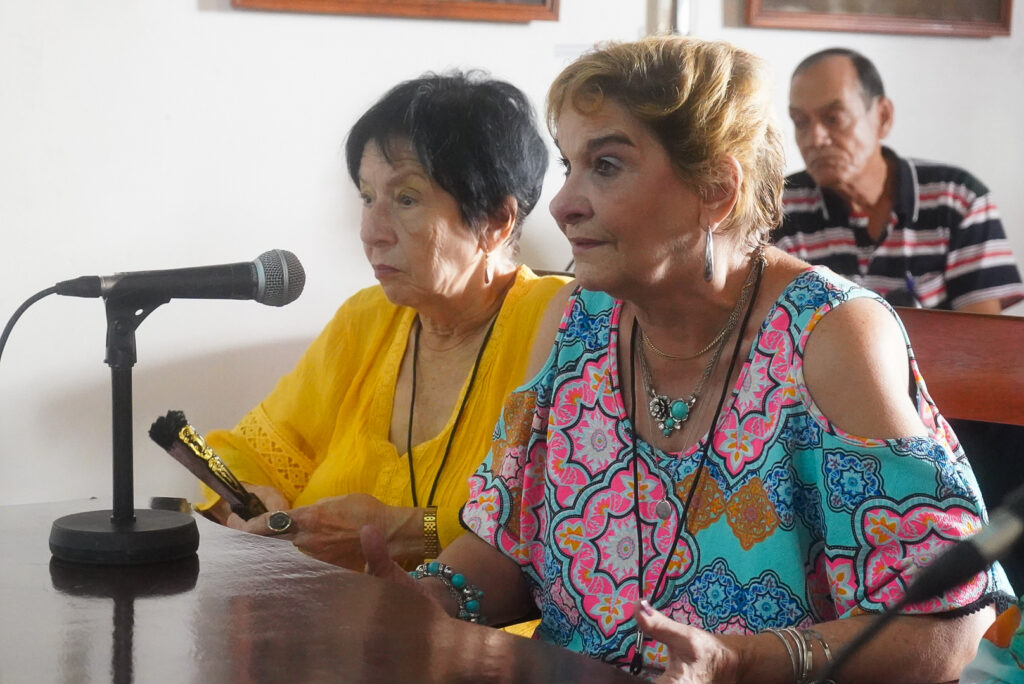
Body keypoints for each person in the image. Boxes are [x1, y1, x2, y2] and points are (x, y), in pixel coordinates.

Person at [363, 36, 1014, 682]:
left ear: (716, 190)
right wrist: (434, 597)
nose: (563, 204)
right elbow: (509, 543)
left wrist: (745, 662)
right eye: (568, 165)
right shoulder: (578, 323)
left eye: (607, 165)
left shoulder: (829, 334)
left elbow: (948, 627)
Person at [198, 72, 570, 570]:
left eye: (406, 199)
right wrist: (243, 500)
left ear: (495, 222)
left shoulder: (559, 324)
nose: (371, 232)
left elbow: (566, 525)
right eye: (367, 197)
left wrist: (414, 532)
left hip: (482, 640)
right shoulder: (366, 320)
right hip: (328, 632)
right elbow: (245, 455)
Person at [774, 47, 1024, 313]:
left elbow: (981, 339)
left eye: (833, 118)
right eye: (800, 122)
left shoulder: (958, 199)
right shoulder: (778, 208)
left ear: (883, 116)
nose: (814, 139)